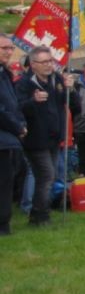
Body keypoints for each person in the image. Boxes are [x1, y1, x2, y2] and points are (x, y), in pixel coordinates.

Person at [18, 45, 68, 226]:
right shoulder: (24, 83)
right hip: (35, 138)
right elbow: (18, 107)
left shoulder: (57, 79)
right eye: (44, 62)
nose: (48, 65)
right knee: (46, 175)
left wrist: (70, 90)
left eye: (50, 61)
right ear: (33, 64)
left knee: (48, 177)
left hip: (54, 137)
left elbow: (71, 104)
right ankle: (40, 215)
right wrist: (33, 101)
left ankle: (38, 213)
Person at [0, 35, 26, 235]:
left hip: (7, 139)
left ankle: (4, 223)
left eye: (11, 48)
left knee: (7, 182)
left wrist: (21, 123)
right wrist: (17, 127)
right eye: (4, 48)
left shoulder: (5, 73)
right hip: (4, 136)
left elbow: (13, 104)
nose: (9, 52)